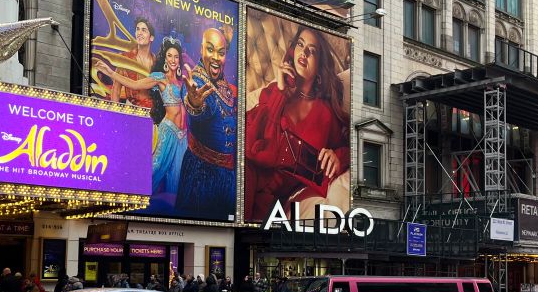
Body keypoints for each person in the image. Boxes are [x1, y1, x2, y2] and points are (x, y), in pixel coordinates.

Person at [245, 25, 350, 220]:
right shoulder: (274, 92)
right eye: (300, 45)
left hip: (280, 199)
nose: (304, 52)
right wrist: (280, 92)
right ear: (293, 51)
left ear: (319, 65)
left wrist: (338, 157)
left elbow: (350, 147)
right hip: (250, 176)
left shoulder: (326, 113)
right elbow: (250, 143)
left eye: (313, 50)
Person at [98, 37, 189, 206]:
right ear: (165, 58)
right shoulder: (160, 78)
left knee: (176, 181)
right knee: (153, 171)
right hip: (168, 131)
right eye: (170, 56)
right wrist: (111, 72)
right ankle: (126, 197)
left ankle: (168, 211)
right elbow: (135, 84)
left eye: (176, 56)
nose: (173, 60)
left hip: (183, 138)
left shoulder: (183, 81)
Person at [173, 27, 237, 219]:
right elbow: (199, 109)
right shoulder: (196, 82)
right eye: (210, 50)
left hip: (226, 178)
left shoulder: (224, 83)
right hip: (201, 176)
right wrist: (195, 103)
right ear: (201, 50)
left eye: (221, 52)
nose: (216, 57)